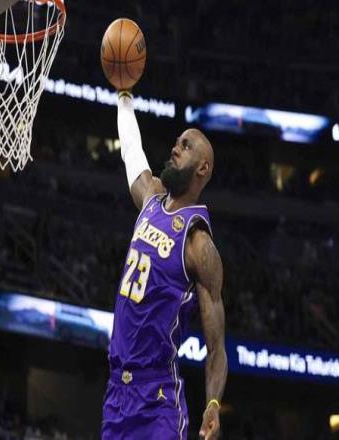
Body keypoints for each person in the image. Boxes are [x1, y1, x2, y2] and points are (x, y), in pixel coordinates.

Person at [101, 90, 228, 440]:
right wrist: (124, 97)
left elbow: (216, 347)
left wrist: (213, 404)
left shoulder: (198, 244)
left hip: (158, 400)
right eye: (176, 142)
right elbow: (131, 150)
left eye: (185, 146)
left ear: (203, 167)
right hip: (116, 393)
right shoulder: (150, 200)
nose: (175, 148)